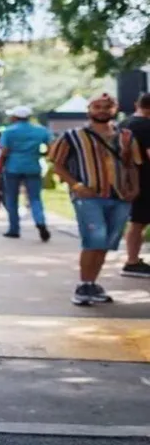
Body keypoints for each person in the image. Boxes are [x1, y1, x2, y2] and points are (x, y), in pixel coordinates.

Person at [49, 92, 142, 305]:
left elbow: (133, 164)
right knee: (94, 239)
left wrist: (135, 189)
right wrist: (77, 185)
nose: (102, 110)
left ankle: (92, 283)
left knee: (106, 242)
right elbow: (58, 165)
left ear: (114, 110)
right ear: (89, 110)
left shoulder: (126, 136)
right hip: (89, 196)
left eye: (106, 107)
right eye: (97, 106)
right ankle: (83, 285)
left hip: (120, 196)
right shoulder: (72, 136)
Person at [0, 105, 52, 241]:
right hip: (33, 166)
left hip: (13, 167)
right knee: (35, 198)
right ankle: (40, 222)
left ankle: (14, 229)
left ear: (15, 117)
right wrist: (41, 153)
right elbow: (52, 147)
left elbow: (4, 151)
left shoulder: (9, 131)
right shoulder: (40, 130)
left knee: (12, 198)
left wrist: (0, 168)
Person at [120, 93, 150, 278]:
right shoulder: (147, 126)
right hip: (146, 178)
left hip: (128, 179)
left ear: (136, 104)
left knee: (136, 221)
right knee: (139, 222)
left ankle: (132, 260)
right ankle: (132, 261)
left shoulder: (123, 124)